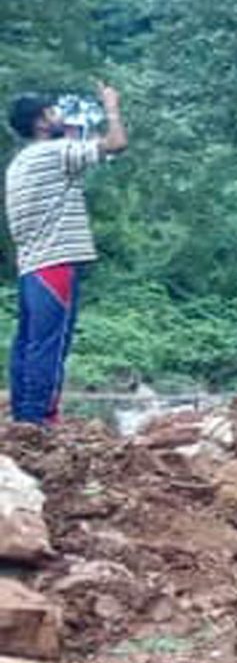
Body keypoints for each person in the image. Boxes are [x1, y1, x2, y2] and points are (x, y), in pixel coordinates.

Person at [5, 83, 127, 424]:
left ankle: (24, 420)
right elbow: (116, 144)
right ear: (42, 122)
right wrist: (111, 107)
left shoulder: (20, 163)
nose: (59, 116)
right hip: (55, 264)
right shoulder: (55, 153)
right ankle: (39, 423)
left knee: (28, 344)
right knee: (50, 347)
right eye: (53, 111)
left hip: (32, 267)